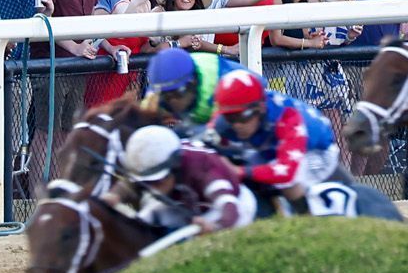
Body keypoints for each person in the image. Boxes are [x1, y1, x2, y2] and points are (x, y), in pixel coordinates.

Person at [206, 67, 347, 213]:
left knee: (288, 183)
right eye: (230, 117)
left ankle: (306, 218)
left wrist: (239, 171)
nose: (237, 125)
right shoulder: (223, 121)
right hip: (270, 146)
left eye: (243, 116)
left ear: (260, 107)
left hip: (314, 153)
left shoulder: (288, 116)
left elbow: (286, 171)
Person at [114, 122, 255, 238]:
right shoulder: (161, 161)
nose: (152, 188)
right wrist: (113, 195)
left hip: (228, 206)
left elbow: (230, 210)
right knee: (143, 219)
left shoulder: (202, 169)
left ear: (175, 167)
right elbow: (130, 180)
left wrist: (214, 227)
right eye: (147, 183)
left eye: (156, 181)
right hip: (185, 206)